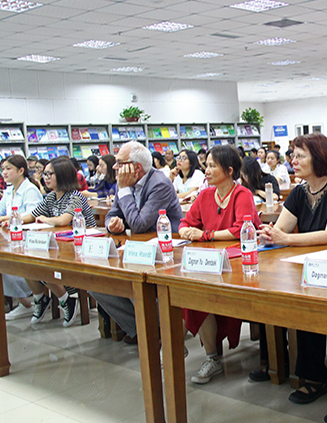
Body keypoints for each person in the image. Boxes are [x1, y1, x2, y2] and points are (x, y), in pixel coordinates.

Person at [256, 133, 327, 404]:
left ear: (319, 158)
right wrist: (269, 234)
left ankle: (314, 378)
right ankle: (273, 362)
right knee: (270, 293)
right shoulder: (300, 192)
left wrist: (286, 239)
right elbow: (281, 229)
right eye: (293, 155)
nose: (293, 160)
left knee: (307, 303)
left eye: (301, 156)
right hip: (307, 265)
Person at [178, 145, 262, 384]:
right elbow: (186, 222)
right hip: (209, 262)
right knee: (191, 293)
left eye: (213, 166)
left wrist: (205, 235)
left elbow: (241, 229)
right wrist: (185, 231)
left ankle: (175, 343)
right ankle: (210, 356)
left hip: (239, 264)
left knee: (202, 293)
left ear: (229, 170)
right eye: (206, 165)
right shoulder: (205, 195)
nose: (207, 170)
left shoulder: (242, 194)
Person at [90, 141, 183, 344]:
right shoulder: (124, 182)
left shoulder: (159, 184)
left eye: (119, 163)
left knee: (133, 279)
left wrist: (123, 190)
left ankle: (159, 331)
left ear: (136, 167)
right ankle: (141, 329)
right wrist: (112, 225)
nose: (115, 167)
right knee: (94, 282)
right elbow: (112, 214)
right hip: (136, 248)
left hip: (166, 252)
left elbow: (140, 224)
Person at [20, 156, 96, 327]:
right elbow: (31, 215)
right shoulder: (51, 197)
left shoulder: (75, 196)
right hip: (61, 247)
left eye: (50, 174)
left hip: (81, 248)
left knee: (44, 266)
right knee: (26, 264)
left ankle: (66, 299)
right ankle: (41, 298)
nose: (45, 178)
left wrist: (45, 219)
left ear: (62, 175)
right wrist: (11, 219)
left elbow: (63, 220)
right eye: (44, 174)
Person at [0, 155, 43, 320]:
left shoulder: (30, 189)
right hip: (11, 237)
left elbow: (32, 215)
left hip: (28, 238)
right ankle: (23, 302)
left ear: (20, 170)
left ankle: (25, 303)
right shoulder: (9, 190)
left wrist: (6, 218)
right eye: (3, 169)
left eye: (8, 169)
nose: (4, 172)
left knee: (6, 261)